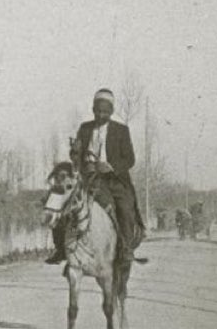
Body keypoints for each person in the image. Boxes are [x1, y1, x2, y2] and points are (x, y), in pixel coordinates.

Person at [45, 87, 144, 265]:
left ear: (111, 112)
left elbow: (130, 159)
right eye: (98, 111)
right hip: (88, 178)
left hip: (114, 180)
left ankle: (126, 248)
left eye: (105, 111)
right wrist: (75, 153)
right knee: (59, 201)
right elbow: (77, 156)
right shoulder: (85, 128)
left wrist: (111, 167)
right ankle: (60, 247)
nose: (101, 115)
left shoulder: (121, 130)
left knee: (125, 208)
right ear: (93, 110)